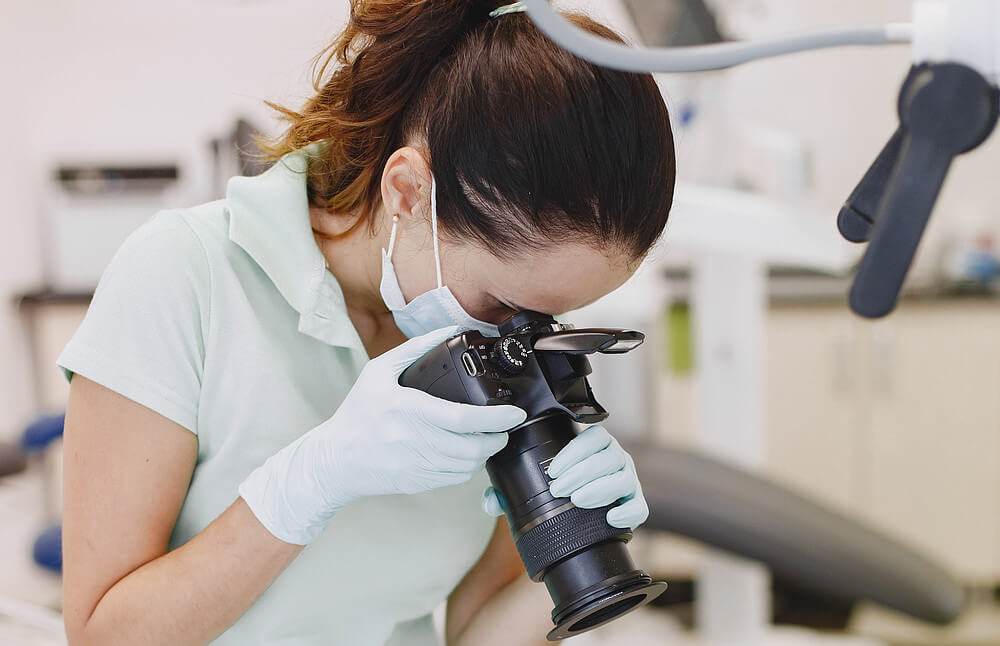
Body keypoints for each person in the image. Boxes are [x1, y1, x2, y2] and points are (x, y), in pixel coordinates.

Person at [56, 1, 676, 644]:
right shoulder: (186, 274)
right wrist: (305, 486)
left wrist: (567, 545)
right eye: (504, 305)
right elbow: (103, 635)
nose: (519, 337)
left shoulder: (502, 348)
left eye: (551, 315)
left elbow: (474, 632)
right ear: (408, 192)